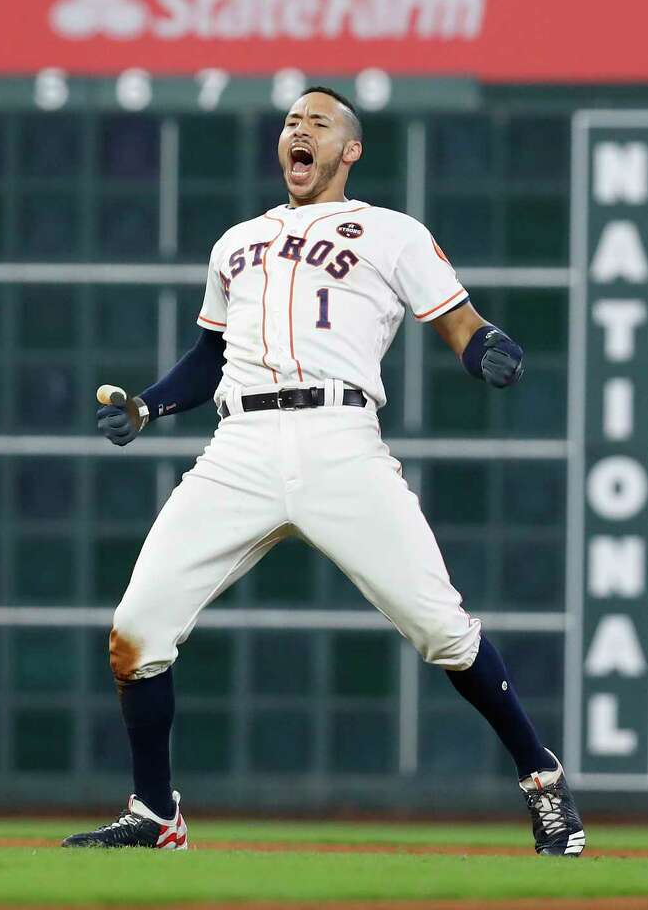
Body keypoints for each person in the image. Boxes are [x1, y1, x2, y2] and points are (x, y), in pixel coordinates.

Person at [64, 87, 585, 858]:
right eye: (290, 122)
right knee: (136, 632)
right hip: (238, 445)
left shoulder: (391, 232)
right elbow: (210, 358)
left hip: (340, 439)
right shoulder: (236, 242)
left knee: (443, 629)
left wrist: (487, 348)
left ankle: (542, 780)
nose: (298, 130)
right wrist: (147, 406)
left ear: (351, 150)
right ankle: (154, 811)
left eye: (319, 122)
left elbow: (460, 322)